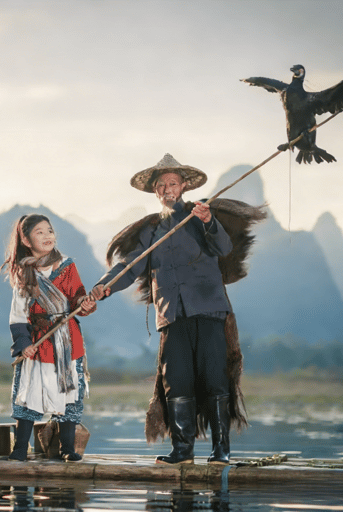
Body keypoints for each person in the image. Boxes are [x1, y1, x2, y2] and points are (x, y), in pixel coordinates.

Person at [90, 154, 265, 465]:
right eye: (161, 185)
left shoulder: (200, 216)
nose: (167, 188)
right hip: (171, 314)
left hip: (209, 309)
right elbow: (129, 266)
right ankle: (182, 451)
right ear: (155, 191)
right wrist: (103, 287)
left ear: (183, 185)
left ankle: (220, 451)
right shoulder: (150, 232)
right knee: (177, 380)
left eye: (172, 183)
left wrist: (209, 221)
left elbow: (224, 248)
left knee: (214, 378)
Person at [0, 213, 96, 462]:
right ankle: (20, 448)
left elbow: (77, 297)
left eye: (50, 231)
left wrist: (83, 303)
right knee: (30, 390)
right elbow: (18, 314)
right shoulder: (24, 272)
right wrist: (24, 344)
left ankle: (67, 448)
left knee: (69, 392)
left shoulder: (67, 265)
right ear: (27, 240)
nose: (47, 236)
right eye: (40, 232)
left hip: (67, 339)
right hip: (39, 341)